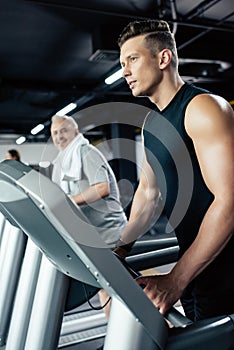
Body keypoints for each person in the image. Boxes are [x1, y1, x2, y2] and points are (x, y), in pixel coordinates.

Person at [114, 19, 234, 322]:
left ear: (163, 58)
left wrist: (175, 280)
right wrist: (120, 248)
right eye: (121, 63)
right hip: (199, 269)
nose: (124, 70)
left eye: (133, 59)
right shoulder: (150, 124)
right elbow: (148, 193)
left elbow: (229, 201)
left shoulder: (203, 108)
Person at [50, 114, 127, 246]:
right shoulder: (60, 163)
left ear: (76, 132)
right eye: (55, 133)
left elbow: (102, 188)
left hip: (111, 235)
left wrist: (69, 201)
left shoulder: (87, 152)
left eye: (64, 131)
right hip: (90, 236)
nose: (59, 137)